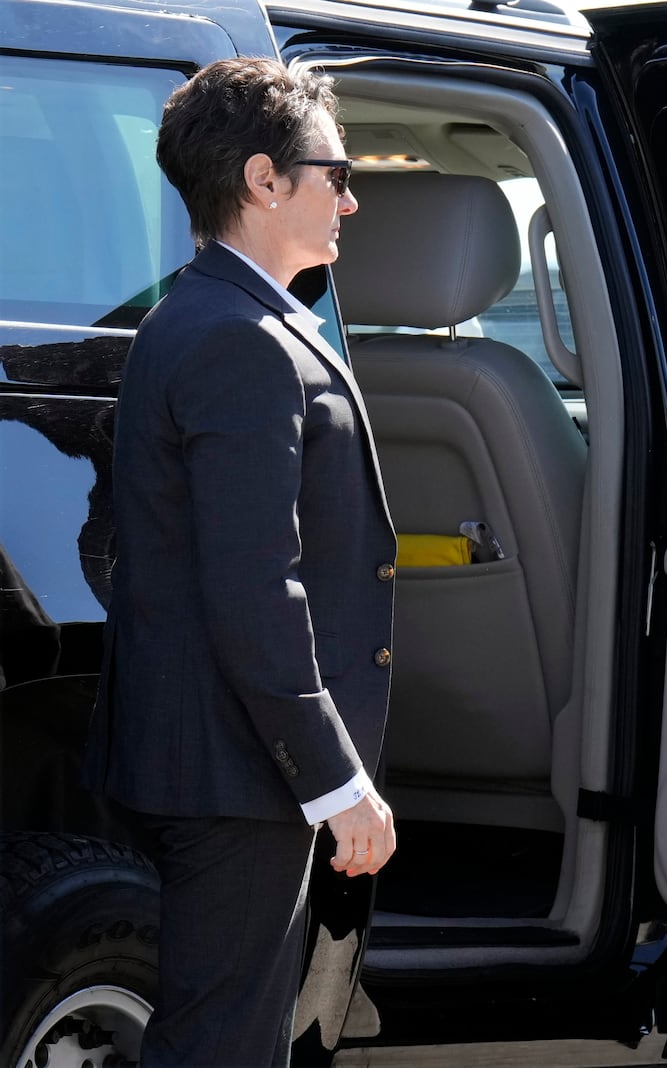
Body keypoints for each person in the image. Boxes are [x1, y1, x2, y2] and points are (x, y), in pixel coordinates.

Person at [83, 57, 398, 1067]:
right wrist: (331, 776)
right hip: (236, 772)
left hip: (213, 762)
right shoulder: (241, 339)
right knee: (224, 1047)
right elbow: (255, 585)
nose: (348, 197)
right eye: (334, 173)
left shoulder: (207, 315)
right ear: (265, 179)